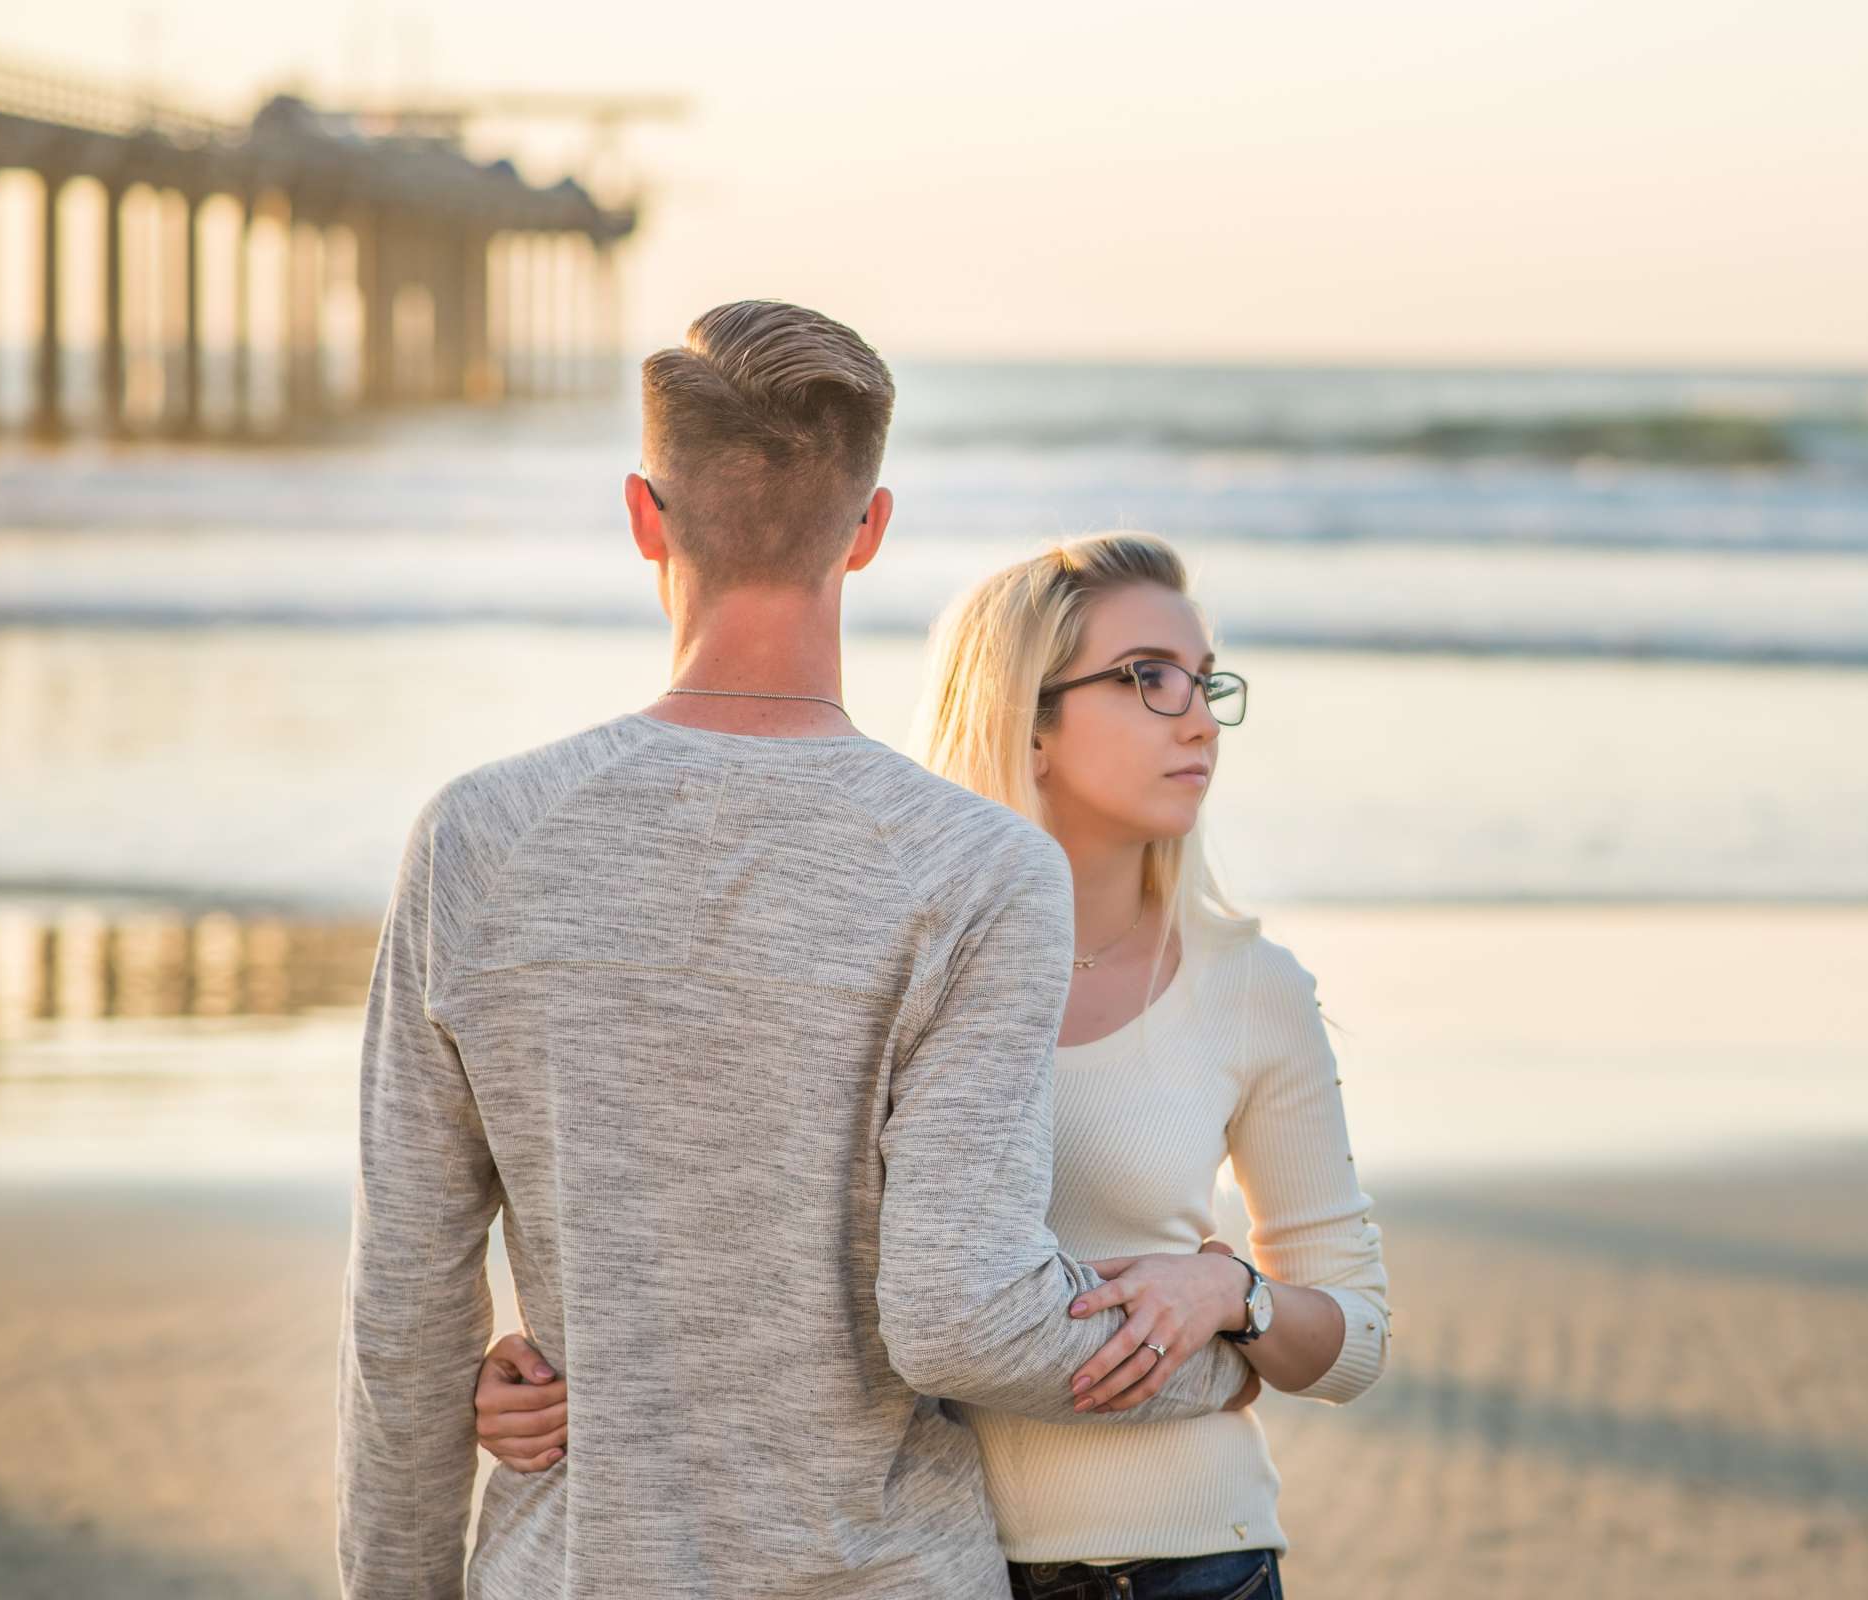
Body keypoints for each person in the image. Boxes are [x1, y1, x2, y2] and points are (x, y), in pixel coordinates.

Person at [335, 301, 1261, 1600]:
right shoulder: (977, 871)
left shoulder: (480, 839)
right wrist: (1239, 1338)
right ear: (871, 528)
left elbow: (406, 1324)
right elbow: (963, 1320)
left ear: (645, 516)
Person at [476, 533, 1393, 1600]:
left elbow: (1356, 1332)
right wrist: (548, 1378)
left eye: (1205, 682)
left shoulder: (1249, 986)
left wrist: (1234, 1295)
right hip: (913, 1566)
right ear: (1027, 719)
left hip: (1192, 1564)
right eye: (1148, 678)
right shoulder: (864, 961)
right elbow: (736, 1251)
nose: (1197, 718)